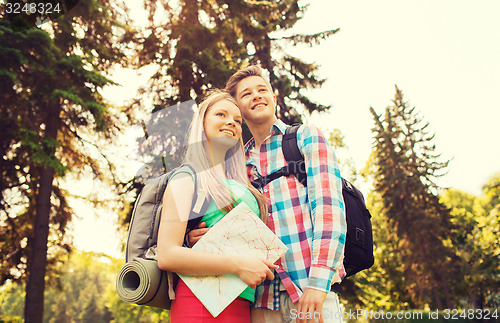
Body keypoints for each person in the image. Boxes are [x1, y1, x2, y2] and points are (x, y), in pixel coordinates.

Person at [189, 66, 347, 323]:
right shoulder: (237, 163)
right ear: (237, 109)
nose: (257, 95)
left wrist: (318, 284)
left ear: (274, 98)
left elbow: (330, 212)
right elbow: (229, 225)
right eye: (247, 93)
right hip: (261, 300)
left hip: (309, 290)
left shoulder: (305, 138)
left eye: (262, 90)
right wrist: (198, 239)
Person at [156, 90, 278, 323]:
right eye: (221, 114)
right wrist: (240, 264)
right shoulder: (187, 177)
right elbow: (167, 254)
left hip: (243, 304)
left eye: (237, 120)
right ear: (202, 124)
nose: (231, 122)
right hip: (200, 303)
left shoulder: (243, 183)